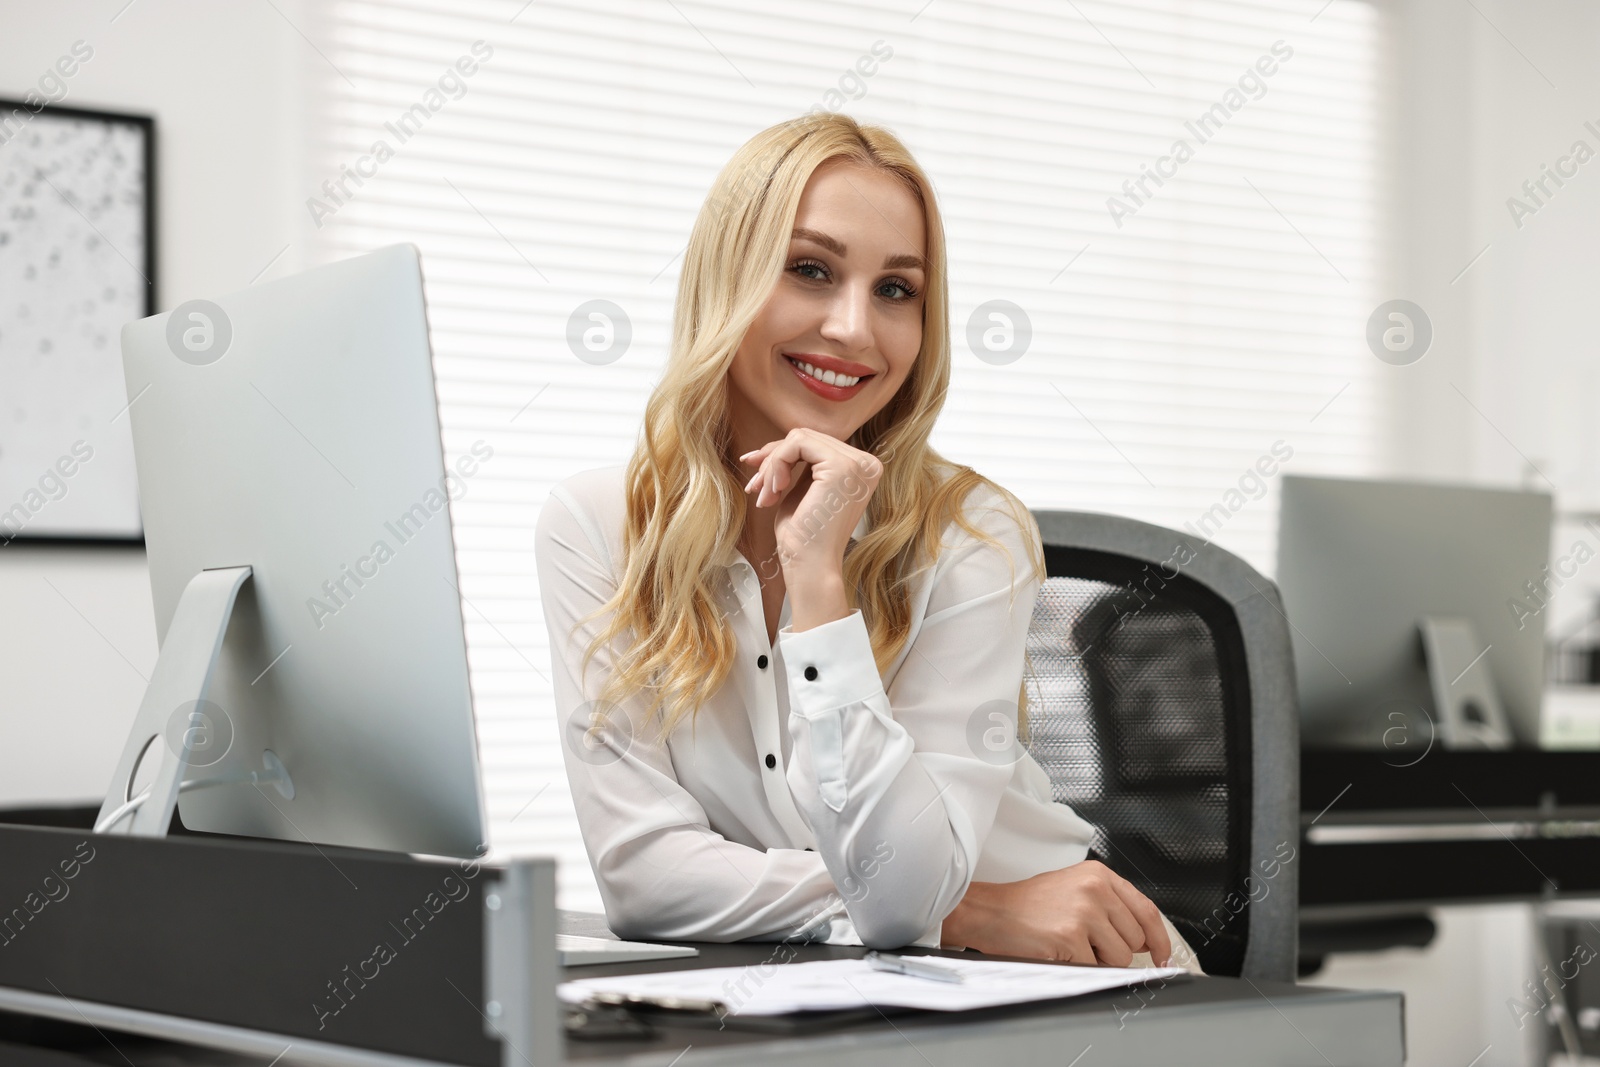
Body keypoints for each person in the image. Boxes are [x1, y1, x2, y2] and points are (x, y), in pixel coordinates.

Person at [535, 112, 1202, 972]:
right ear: (725, 281)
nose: (855, 328)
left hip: (1073, 977)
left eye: (896, 290)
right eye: (811, 270)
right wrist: (971, 911)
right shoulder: (597, 526)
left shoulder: (972, 532)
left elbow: (898, 896)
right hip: (874, 982)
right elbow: (645, 878)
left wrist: (818, 580)